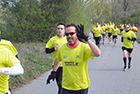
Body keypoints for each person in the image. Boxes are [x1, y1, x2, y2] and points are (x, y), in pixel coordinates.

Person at [47, 23, 101, 94]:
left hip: (81, 87)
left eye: (72, 33)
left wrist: (87, 38)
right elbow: (58, 59)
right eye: (67, 34)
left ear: (77, 34)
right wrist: (54, 71)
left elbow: (97, 53)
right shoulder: (62, 48)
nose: (69, 36)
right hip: (66, 87)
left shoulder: (84, 47)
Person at [45, 23, 67, 94]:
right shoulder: (53, 39)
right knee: (59, 84)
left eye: (61, 29)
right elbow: (46, 50)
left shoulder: (67, 39)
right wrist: (54, 48)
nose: (60, 30)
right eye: (58, 29)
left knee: (62, 84)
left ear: (64, 30)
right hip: (56, 65)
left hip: (66, 65)